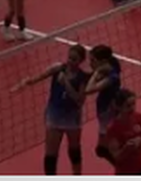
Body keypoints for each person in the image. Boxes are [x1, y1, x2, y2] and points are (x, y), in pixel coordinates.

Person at [13, 43, 90, 175]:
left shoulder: (82, 78)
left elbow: (79, 101)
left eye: (74, 59)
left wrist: (65, 82)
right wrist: (24, 83)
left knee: (74, 151)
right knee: (50, 155)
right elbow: (37, 78)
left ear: (81, 61)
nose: (70, 61)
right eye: (69, 57)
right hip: (54, 116)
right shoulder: (58, 68)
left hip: (72, 118)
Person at [86, 45, 123, 162]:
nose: (90, 63)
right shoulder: (112, 66)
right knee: (105, 145)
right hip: (105, 109)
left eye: (93, 61)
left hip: (109, 111)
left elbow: (89, 90)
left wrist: (96, 73)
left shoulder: (112, 77)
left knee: (111, 147)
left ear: (102, 61)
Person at [103, 90, 141, 175]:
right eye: (128, 106)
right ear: (119, 107)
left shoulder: (139, 118)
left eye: (134, 104)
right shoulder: (113, 129)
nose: (132, 108)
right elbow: (116, 156)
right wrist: (127, 148)